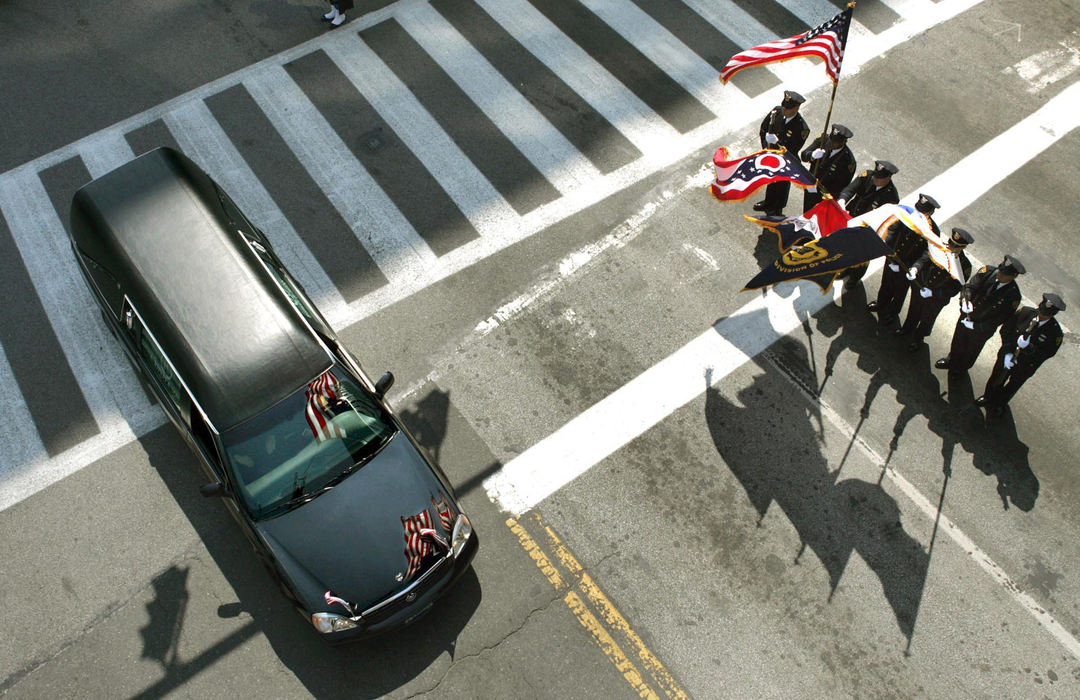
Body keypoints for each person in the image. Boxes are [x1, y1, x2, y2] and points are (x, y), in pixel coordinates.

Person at [935, 255, 1025, 375]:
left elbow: (1000, 318)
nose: (1000, 275)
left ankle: (961, 369)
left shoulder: (1013, 295)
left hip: (982, 329)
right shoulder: (988, 272)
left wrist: (977, 326)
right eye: (1000, 271)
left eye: (1004, 274)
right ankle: (951, 360)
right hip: (967, 316)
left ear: (1013, 276)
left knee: (971, 350)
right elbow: (970, 287)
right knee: (958, 340)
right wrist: (965, 301)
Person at [976, 293, 1065, 413]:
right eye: (1041, 311)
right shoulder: (1025, 312)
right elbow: (1006, 329)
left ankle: (999, 404)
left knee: (1012, 385)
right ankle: (988, 397)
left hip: (1025, 366)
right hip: (1008, 355)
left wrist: (1029, 348)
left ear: (1052, 315)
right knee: (996, 377)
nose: (1041, 316)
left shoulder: (1055, 333)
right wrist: (1007, 352)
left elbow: (1047, 353)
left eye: (1045, 315)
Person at [867, 193, 941, 325]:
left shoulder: (933, 231)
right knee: (886, 283)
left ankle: (892, 312)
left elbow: (928, 252)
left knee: (900, 291)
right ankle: (881, 303)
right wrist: (886, 247)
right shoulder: (905, 215)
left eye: (922, 213)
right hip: (894, 257)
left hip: (908, 266)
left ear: (930, 213)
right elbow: (892, 231)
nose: (918, 214)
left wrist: (916, 267)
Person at [896, 227, 974, 351]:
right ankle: (907, 328)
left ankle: (918, 339)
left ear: (962, 248)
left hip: (937, 297)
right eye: (951, 243)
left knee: (927, 318)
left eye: (955, 246)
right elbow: (924, 259)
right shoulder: (939, 248)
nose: (951, 247)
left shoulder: (964, 266)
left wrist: (934, 293)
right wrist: (915, 268)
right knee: (914, 309)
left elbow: (955, 289)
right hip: (921, 287)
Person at [752, 90, 811, 217]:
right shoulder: (776, 112)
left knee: (781, 185)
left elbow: (793, 150)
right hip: (771, 155)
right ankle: (768, 202)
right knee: (771, 180)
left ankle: (777, 208)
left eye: (788, 108)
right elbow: (763, 128)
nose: (784, 110)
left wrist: (777, 143)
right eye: (784, 106)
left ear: (796, 108)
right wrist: (766, 145)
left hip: (785, 161)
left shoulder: (801, 129)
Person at [800, 124, 856, 212]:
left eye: (835, 142)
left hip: (824, 197)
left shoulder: (848, 162)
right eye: (831, 139)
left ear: (843, 142)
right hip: (810, 186)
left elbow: (841, 187)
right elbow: (803, 155)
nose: (831, 143)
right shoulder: (823, 140)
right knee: (806, 212)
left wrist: (822, 193)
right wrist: (812, 155)